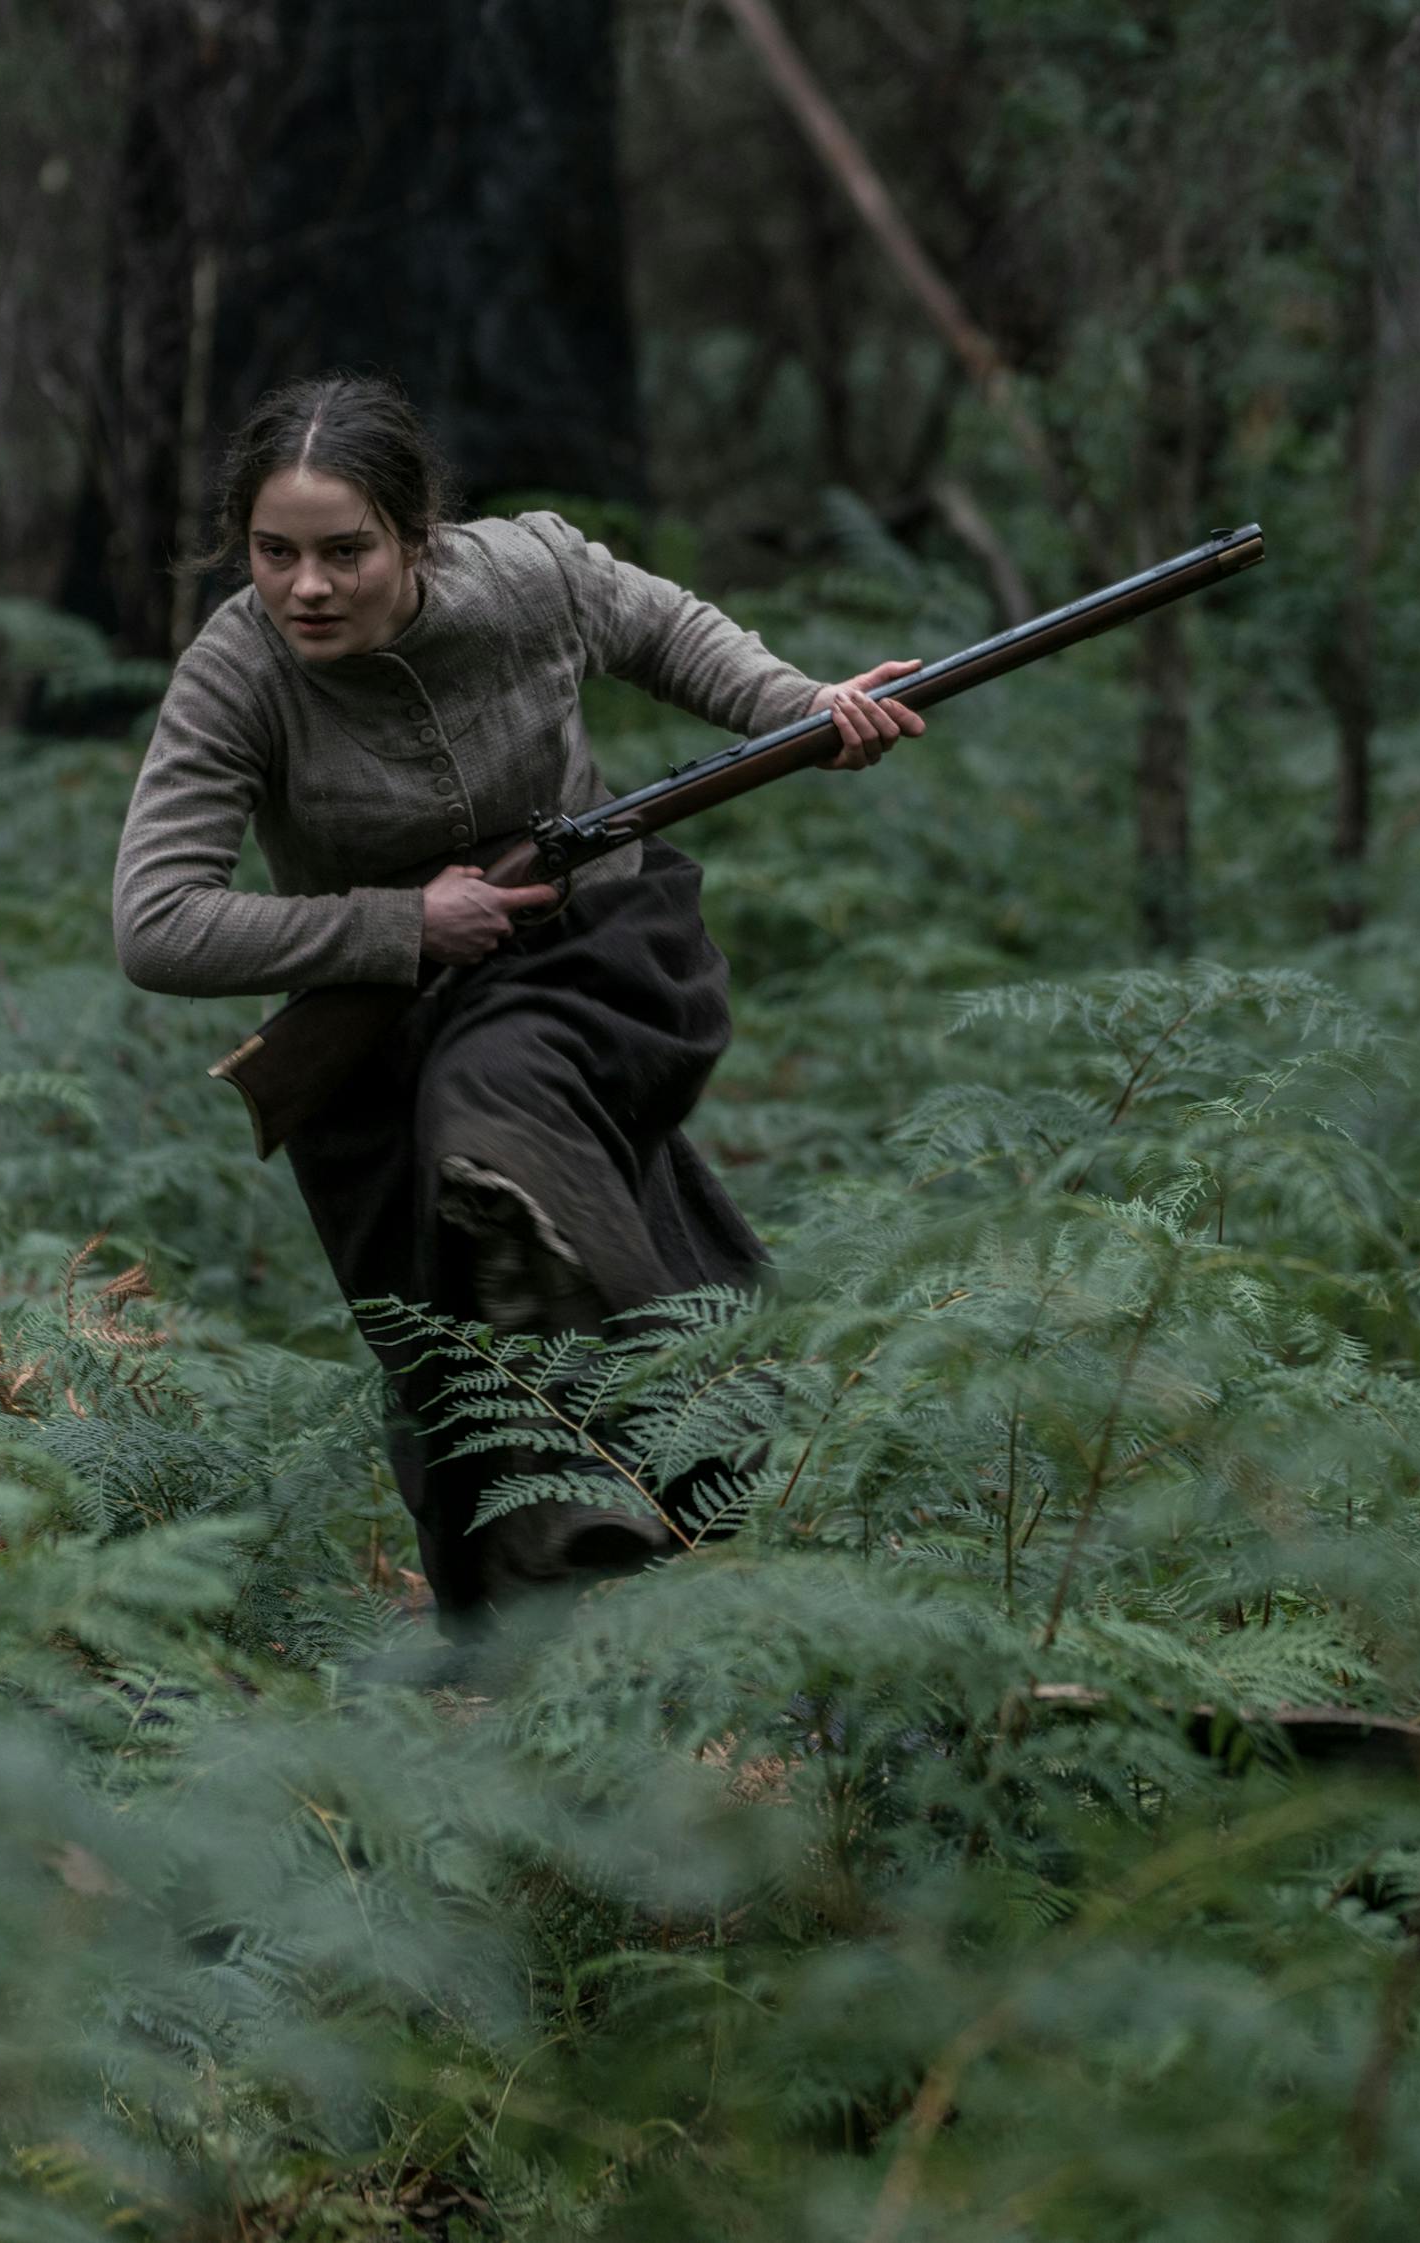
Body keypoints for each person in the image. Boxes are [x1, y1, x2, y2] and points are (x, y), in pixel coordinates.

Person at [113, 370, 923, 1630]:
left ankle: (641, 1491)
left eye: (345, 552)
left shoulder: (528, 572)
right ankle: (539, 1650)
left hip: (592, 966)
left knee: (495, 1105)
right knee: (443, 1358)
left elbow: (667, 630)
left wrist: (806, 708)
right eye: (274, 554)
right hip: (375, 1038)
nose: (306, 587)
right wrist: (396, 924)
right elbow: (156, 921)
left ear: (417, 534)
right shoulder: (237, 673)